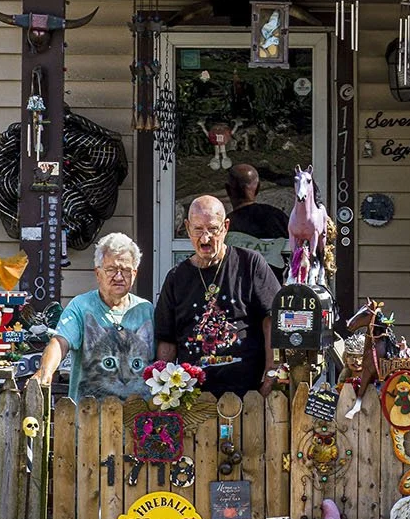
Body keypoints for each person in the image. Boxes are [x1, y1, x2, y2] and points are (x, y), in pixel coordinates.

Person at [156, 193, 281, 396]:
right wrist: (166, 390)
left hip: (249, 394)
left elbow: (272, 321)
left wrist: (270, 377)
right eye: (198, 229)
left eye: (213, 229)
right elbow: (166, 339)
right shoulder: (176, 278)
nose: (205, 238)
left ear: (225, 227)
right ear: (187, 228)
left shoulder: (250, 264)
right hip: (192, 397)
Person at [31, 232, 153, 402]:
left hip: (137, 413)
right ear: (98, 273)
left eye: (125, 270)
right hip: (88, 411)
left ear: (134, 273)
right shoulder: (81, 306)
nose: (118, 277)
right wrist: (44, 372)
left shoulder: (146, 310)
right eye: (111, 270)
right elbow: (60, 342)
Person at [222, 161, 291, 271]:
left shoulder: (224, 226)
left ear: (227, 190)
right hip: (274, 281)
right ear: (258, 188)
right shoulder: (277, 218)